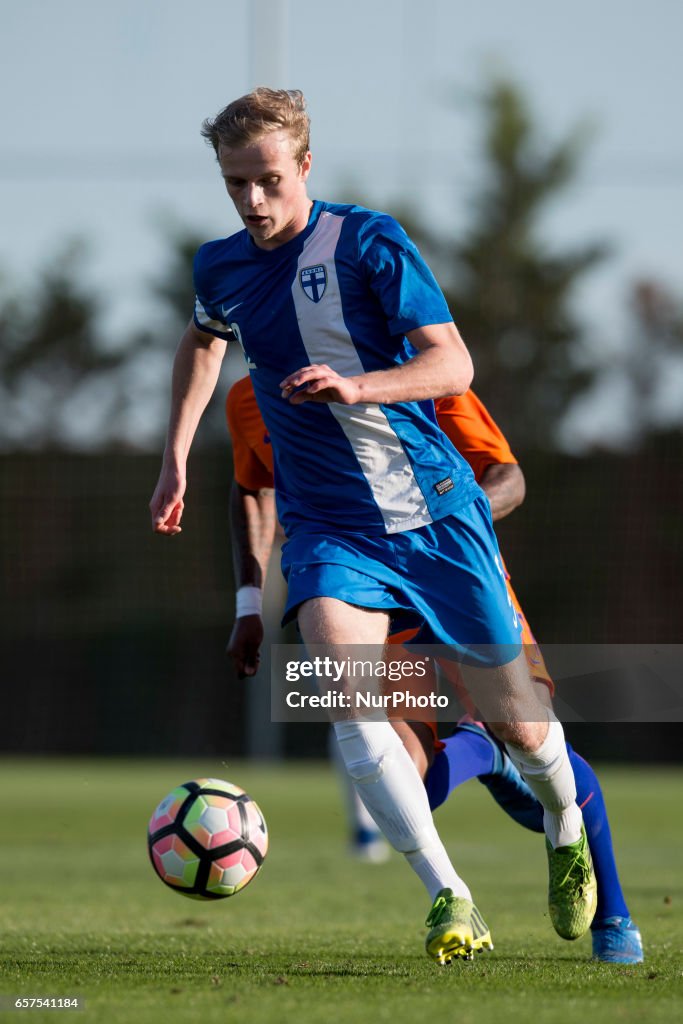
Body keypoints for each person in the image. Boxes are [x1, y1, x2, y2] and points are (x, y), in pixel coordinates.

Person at [150, 87, 596, 965]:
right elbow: (203, 341)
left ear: (305, 166)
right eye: (235, 183)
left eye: (268, 180)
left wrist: (359, 386)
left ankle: (564, 820)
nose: (252, 201)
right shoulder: (221, 266)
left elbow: (451, 361)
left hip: (434, 517)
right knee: (347, 702)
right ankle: (448, 898)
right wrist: (171, 455)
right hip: (328, 531)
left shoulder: (369, 242)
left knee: (522, 728)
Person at [226, 374, 643, 964]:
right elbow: (251, 488)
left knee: (529, 730)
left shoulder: (406, 367)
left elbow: (507, 477)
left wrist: (441, 524)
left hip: (447, 569)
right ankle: (461, 849)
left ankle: (614, 915)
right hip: (361, 591)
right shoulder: (249, 397)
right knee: (407, 779)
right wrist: (248, 601)